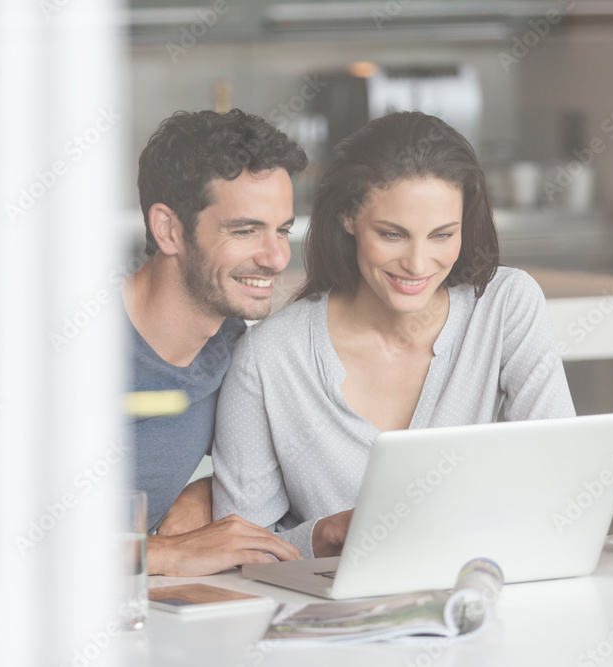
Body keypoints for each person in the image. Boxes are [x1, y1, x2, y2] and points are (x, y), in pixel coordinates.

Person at [211, 111, 575, 560]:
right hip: (329, 619)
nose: (419, 265)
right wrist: (323, 535)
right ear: (348, 218)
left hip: (473, 601)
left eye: (442, 235)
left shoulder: (504, 305)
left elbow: (559, 484)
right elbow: (240, 553)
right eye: (392, 234)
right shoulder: (268, 357)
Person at [125, 109, 307, 575]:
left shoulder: (229, 347)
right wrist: (166, 552)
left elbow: (274, 467)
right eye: (245, 230)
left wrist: (202, 492)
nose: (276, 257)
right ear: (168, 229)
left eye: (283, 229)